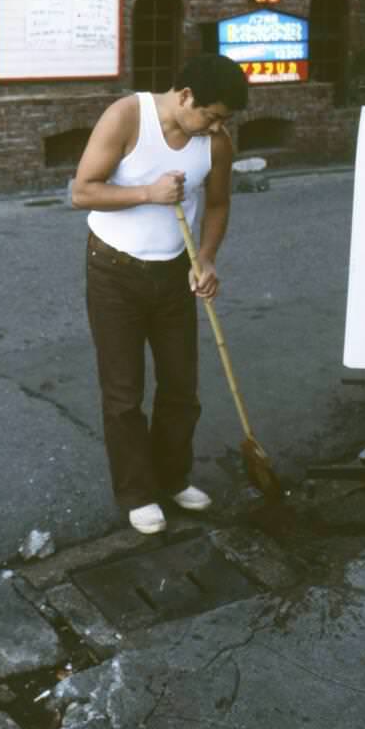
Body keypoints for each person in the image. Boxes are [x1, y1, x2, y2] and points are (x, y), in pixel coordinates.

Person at [71, 54, 249, 535]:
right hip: (113, 271)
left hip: (174, 271)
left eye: (222, 121)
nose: (214, 127)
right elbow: (82, 191)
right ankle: (137, 492)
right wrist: (148, 194)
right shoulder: (127, 117)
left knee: (180, 387)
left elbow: (217, 202)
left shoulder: (214, 142)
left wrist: (206, 258)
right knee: (124, 392)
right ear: (186, 95)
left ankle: (172, 478)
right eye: (210, 116)